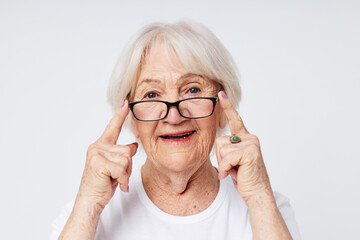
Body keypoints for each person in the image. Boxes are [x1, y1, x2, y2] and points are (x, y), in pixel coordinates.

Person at [51, 21, 301, 240]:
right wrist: (88, 205)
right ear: (132, 119)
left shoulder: (268, 208)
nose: (174, 115)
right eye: (151, 94)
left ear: (223, 109)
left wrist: (259, 197)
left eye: (193, 90)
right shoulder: (85, 214)